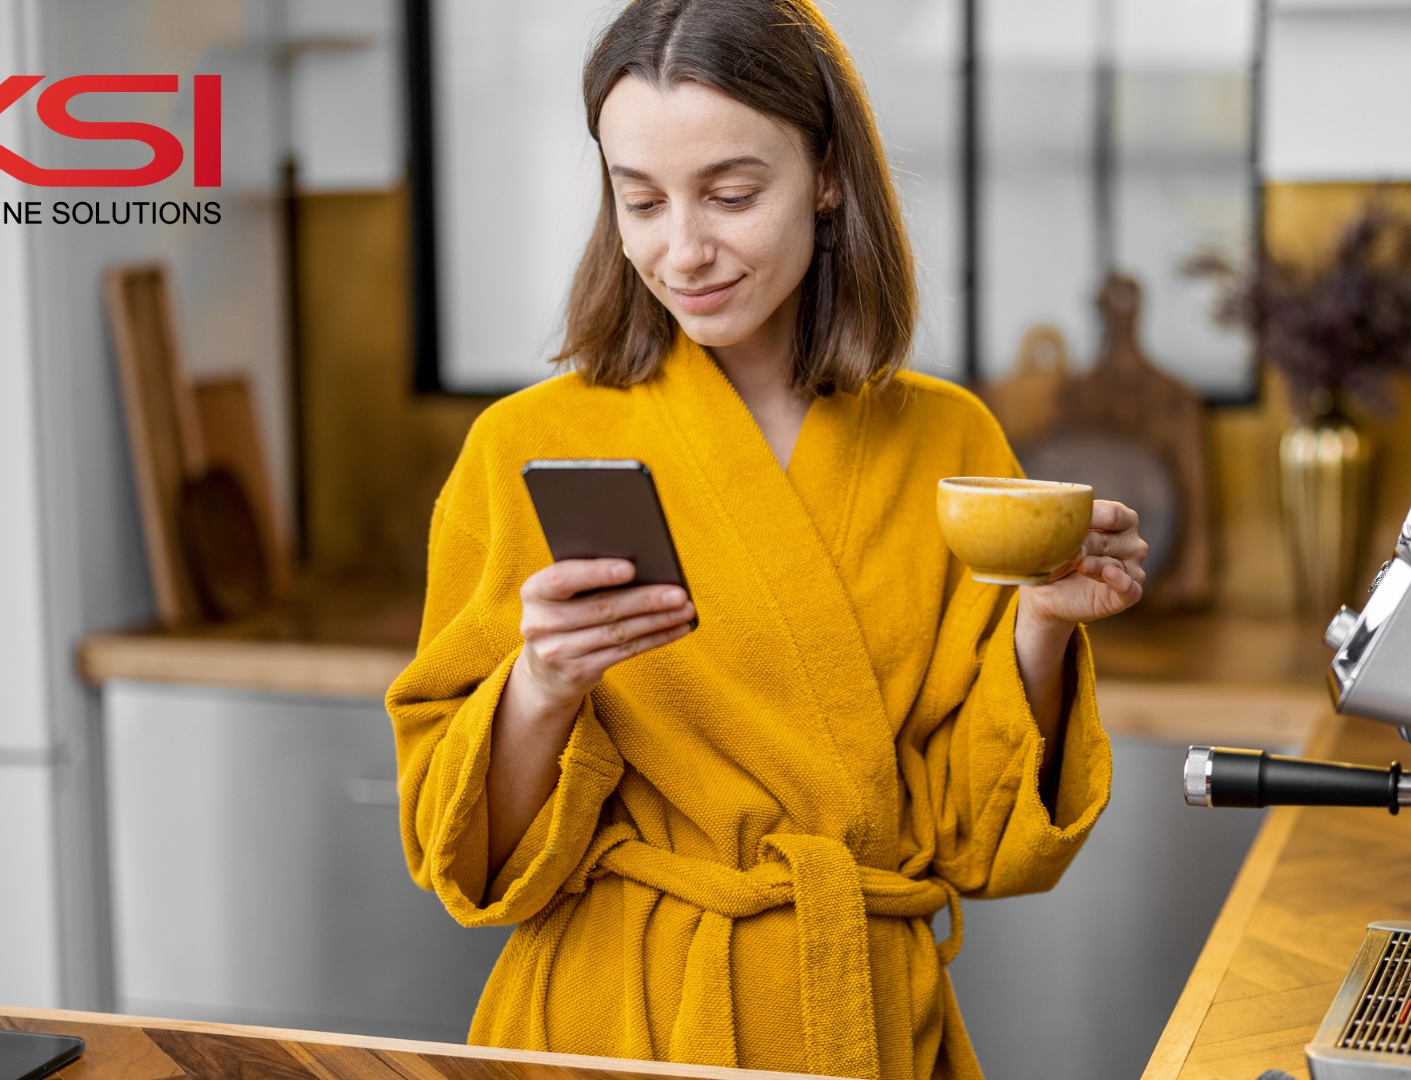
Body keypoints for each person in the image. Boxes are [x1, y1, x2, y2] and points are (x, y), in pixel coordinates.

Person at [387, 2, 1148, 1077]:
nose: (681, 248)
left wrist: (1041, 627)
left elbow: (987, 842)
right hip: (614, 1028)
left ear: (828, 174)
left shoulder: (947, 440)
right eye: (638, 200)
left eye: (731, 195)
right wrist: (542, 686)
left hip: (863, 1016)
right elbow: (461, 854)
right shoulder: (523, 446)